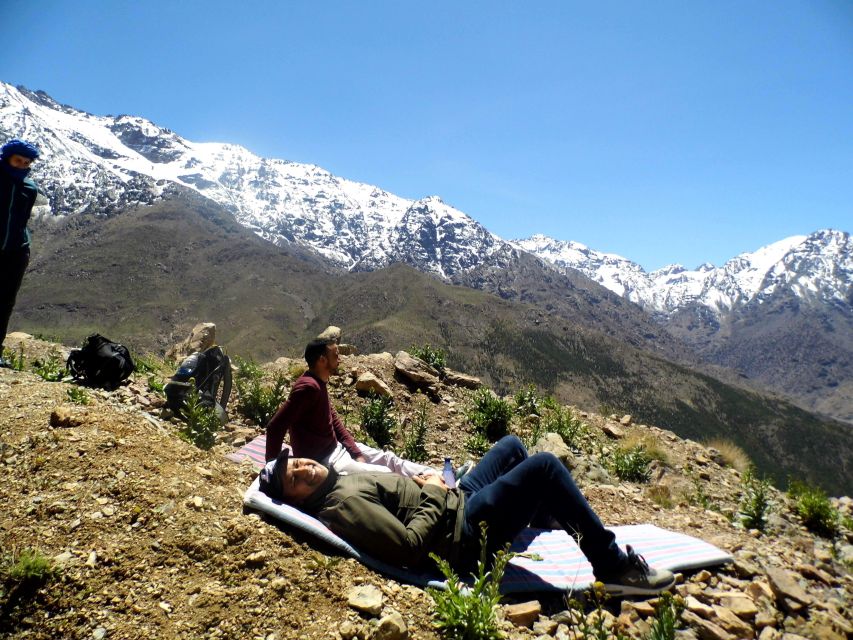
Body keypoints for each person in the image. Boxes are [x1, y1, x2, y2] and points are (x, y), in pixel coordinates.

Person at [258, 435, 676, 596]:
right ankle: (613, 565)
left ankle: (547, 514)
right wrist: (437, 494)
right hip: (463, 533)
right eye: (294, 477)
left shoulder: (335, 482)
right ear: (297, 499)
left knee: (511, 447)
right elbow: (408, 548)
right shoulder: (341, 506)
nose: (303, 467)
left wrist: (428, 486)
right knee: (545, 465)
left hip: (453, 503)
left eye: (297, 463)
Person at [265, 330, 437, 477]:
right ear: (322, 360)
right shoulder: (308, 387)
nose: (339, 359)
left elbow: (334, 421)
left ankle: (440, 475)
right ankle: (434, 486)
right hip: (326, 460)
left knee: (389, 459)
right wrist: (271, 469)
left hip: (337, 449)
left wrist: (355, 452)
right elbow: (275, 427)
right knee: (384, 475)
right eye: (335, 355)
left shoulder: (319, 382)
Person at [0, 139, 41, 368]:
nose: (21, 166)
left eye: (26, 163)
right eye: (18, 161)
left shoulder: (29, 188)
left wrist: (22, 247)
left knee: (4, 302)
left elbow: (22, 219)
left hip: (16, 252)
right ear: (7, 158)